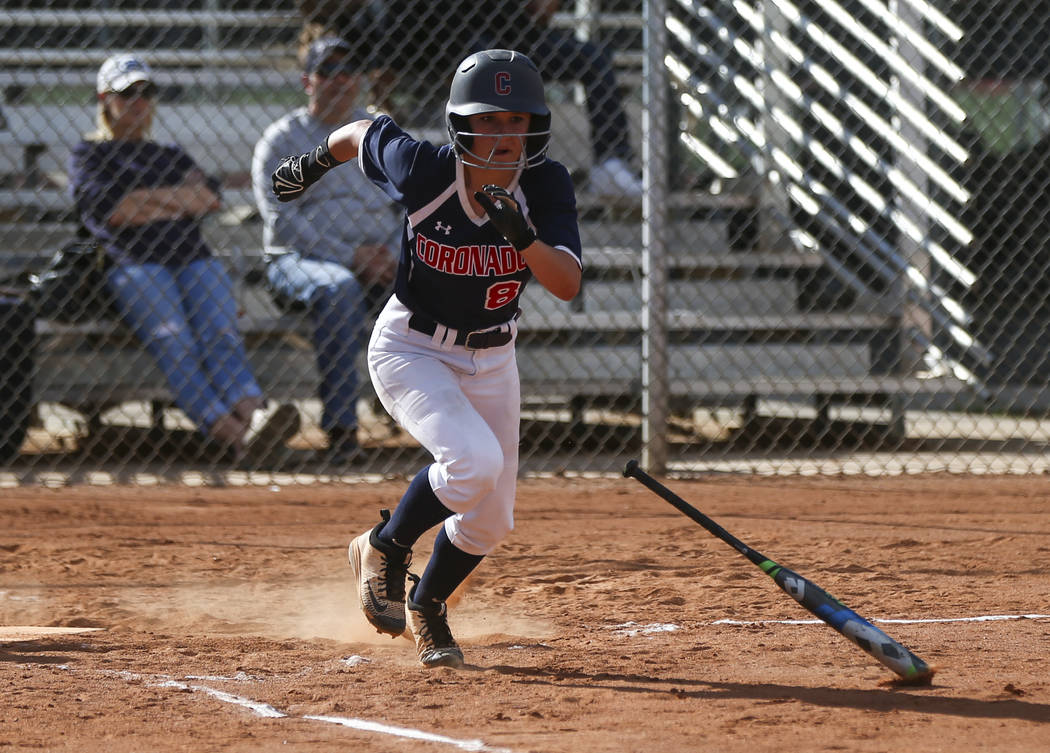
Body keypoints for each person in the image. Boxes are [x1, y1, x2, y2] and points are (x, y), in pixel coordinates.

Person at [271, 49, 582, 667]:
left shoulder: (545, 184)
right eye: (488, 122)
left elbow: (567, 282)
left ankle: (428, 607)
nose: (502, 136)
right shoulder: (426, 170)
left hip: (493, 358)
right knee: (473, 464)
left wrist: (521, 234)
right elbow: (361, 132)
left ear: (534, 128)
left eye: (515, 122)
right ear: (460, 126)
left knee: (492, 519)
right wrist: (311, 165)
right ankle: (385, 545)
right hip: (412, 347)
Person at [69, 54, 301, 461]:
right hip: (135, 264)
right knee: (176, 342)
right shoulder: (90, 155)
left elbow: (208, 199)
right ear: (105, 99)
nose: (139, 102)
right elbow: (113, 212)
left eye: (147, 92)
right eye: (128, 94)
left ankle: (254, 419)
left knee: (221, 335)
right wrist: (176, 200)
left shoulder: (170, 153)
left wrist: (144, 200)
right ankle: (236, 436)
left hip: (193, 258)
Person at [297, 0, 643, 197]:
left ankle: (610, 163)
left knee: (592, 57)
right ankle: (488, 167)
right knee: (481, 60)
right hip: (435, 41)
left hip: (506, 42)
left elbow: (537, 15)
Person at [252, 35, 399, 463]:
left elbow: (410, 204)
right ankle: (342, 431)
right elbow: (282, 222)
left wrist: (389, 253)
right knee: (339, 289)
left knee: (437, 280)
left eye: (348, 71)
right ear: (307, 81)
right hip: (299, 262)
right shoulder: (282, 139)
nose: (339, 80)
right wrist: (350, 257)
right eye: (327, 71)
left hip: (380, 256)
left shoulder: (377, 133)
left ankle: (441, 426)